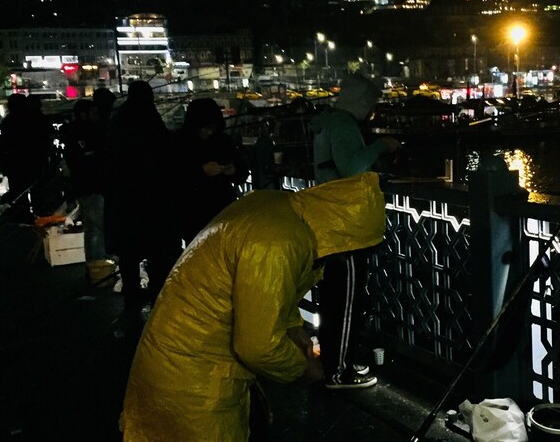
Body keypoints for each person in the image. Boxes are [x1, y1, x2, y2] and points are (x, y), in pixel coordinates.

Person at [120, 172, 385, 440]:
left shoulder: (281, 211)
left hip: (185, 361)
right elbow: (257, 346)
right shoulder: (279, 241)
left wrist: (294, 331)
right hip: (193, 382)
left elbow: (269, 293)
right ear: (344, 235)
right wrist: (304, 368)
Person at [309, 73, 399, 389]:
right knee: (345, 301)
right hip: (345, 227)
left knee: (333, 298)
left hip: (328, 221)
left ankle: (337, 360)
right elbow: (352, 167)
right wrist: (380, 145)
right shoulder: (344, 125)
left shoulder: (325, 123)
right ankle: (339, 371)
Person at [104, 81, 180, 323]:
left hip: (125, 204)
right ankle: (157, 300)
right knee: (158, 255)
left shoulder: (118, 121)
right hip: (154, 203)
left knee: (129, 257)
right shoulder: (152, 120)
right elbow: (167, 154)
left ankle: (131, 305)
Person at [173, 98, 249, 245]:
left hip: (223, 213)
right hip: (193, 214)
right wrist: (201, 172)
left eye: (212, 127)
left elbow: (242, 172)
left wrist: (233, 170)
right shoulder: (180, 143)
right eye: (204, 127)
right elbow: (173, 178)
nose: (208, 132)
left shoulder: (222, 141)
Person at [60, 99, 109, 274]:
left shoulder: (80, 131)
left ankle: (95, 263)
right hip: (90, 186)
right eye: (93, 112)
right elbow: (84, 160)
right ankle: (102, 262)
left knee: (92, 228)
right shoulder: (82, 132)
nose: (96, 115)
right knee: (101, 224)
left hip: (86, 186)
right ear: (84, 114)